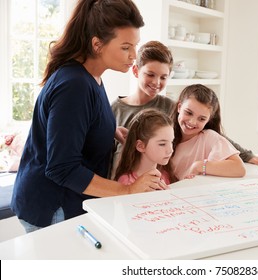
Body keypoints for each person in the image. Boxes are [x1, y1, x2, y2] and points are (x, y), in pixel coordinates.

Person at [10, 0, 162, 233]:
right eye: (125, 47)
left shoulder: (92, 77)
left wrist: (109, 130)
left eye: (135, 46)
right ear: (97, 44)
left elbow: (77, 122)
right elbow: (62, 168)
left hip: (66, 202)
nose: (134, 55)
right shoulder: (74, 85)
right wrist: (129, 190)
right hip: (53, 207)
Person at [110, 40, 258, 178]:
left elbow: (216, 135)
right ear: (136, 71)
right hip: (118, 182)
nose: (156, 82)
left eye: (163, 77)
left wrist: (247, 155)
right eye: (150, 74)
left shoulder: (170, 107)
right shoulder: (115, 109)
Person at [170, 84, 246, 180]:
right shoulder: (164, 134)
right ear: (179, 107)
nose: (192, 122)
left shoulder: (209, 137)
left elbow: (239, 168)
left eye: (201, 119)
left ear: (208, 120)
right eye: (189, 113)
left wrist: (198, 166)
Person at [114, 108, 176, 187]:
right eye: (162, 144)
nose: (170, 150)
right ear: (140, 146)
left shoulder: (165, 175)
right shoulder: (127, 182)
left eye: (171, 142)